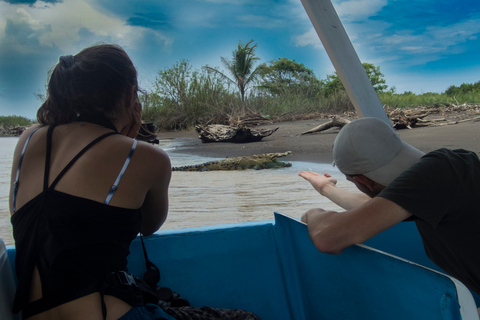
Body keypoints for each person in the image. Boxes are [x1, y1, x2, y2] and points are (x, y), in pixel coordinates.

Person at [10, 44, 260, 320]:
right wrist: (135, 140)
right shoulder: (144, 156)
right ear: (130, 94)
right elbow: (149, 226)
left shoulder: (27, 139)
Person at [299, 117, 480, 297]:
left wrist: (313, 214)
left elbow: (328, 238)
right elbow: (375, 210)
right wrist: (327, 188)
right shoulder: (446, 174)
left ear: (364, 181)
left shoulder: (437, 173)